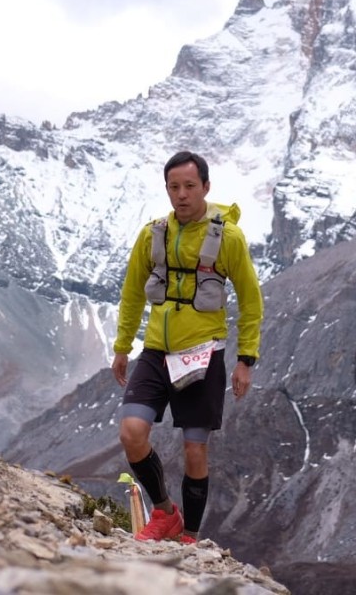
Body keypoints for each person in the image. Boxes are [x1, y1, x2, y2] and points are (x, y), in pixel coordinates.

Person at [111, 150, 263, 544]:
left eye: (189, 186)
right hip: (157, 352)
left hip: (202, 354)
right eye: (174, 187)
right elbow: (132, 294)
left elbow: (250, 300)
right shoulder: (153, 234)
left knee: (195, 451)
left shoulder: (226, 238)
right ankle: (164, 512)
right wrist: (123, 345)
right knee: (132, 432)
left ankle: (190, 537)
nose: (181, 195)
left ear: (206, 187)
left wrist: (246, 360)